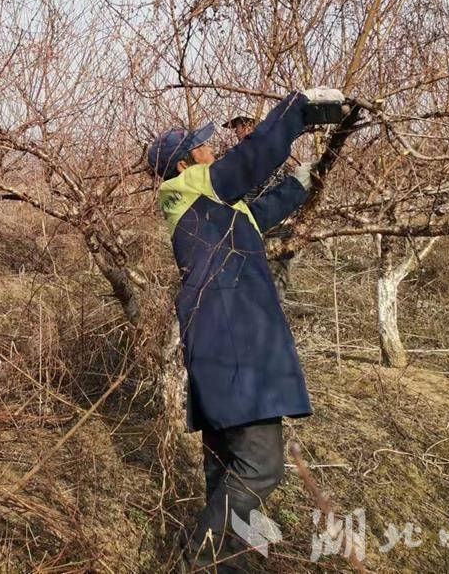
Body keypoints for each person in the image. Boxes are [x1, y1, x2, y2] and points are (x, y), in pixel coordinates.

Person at [149, 88, 342, 572]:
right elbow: (252, 160)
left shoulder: (212, 211)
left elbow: (260, 214)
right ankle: (201, 560)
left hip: (224, 344)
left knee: (227, 467)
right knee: (261, 465)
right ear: (182, 165)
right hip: (233, 346)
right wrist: (299, 108)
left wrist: (302, 181)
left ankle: (227, 564)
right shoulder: (186, 189)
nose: (211, 149)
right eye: (201, 147)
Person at [222, 114, 297, 302]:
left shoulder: (275, 159)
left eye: (239, 127)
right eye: (237, 128)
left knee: (272, 295)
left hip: (275, 235)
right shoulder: (233, 160)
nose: (238, 132)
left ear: (250, 127)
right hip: (245, 236)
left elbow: (285, 197)